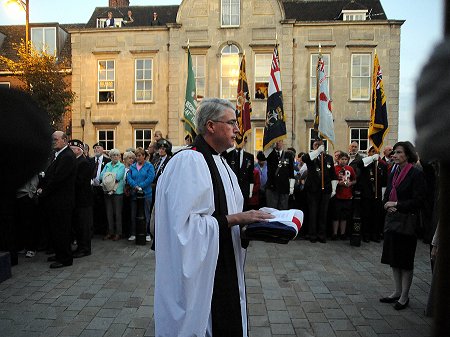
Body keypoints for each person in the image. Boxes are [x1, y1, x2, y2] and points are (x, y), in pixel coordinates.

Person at [154, 98, 273, 336]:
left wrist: (254, 227)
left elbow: (228, 212)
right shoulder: (188, 162)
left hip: (224, 261)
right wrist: (236, 219)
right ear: (210, 126)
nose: (238, 129)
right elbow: (185, 229)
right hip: (202, 276)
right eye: (231, 123)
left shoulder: (221, 162)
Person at [379, 141, 426, 310]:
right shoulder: (393, 171)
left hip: (407, 222)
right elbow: (387, 192)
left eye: (399, 152)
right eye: (394, 153)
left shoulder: (415, 173)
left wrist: (397, 205)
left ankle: (405, 296)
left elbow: (419, 200)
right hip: (392, 221)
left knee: (405, 261)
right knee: (394, 259)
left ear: (408, 154)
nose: (395, 155)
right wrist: (386, 204)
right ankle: (397, 291)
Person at [37, 131, 76, 269]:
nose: (53, 141)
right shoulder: (58, 155)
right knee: (56, 229)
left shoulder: (67, 156)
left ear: (65, 140)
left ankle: (65, 258)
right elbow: (50, 175)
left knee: (62, 229)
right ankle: (59, 253)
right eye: (52, 139)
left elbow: (58, 178)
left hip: (62, 201)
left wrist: (44, 190)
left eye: (56, 139)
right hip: (56, 200)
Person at [302, 140, 337, 243]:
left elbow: (332, 174)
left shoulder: (329, 158)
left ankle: (322, 235)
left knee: (323, 213)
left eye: (320, 145)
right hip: (313, 190)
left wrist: (334, 189)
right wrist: (317, 152)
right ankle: (312, 235)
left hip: (325, 189)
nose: (318, 146)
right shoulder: (311, 156)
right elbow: (305, 159)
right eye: (316, 145)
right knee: (313, 213)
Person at [69, 139, 93, 258]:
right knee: (78, 225)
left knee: (83, 226)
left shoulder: (83, 163)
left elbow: (80, 181)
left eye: (72, 149)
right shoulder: (76, 162)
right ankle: (80, 246)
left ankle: (84, 248)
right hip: (78, 200)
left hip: (83, 200)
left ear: (79, 150)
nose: (71, 151)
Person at [127, 147, 155, 241]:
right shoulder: (133, 166)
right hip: (135, 194)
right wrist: (135, 186)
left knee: (146, 214)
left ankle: (147, 233)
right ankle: (134, 233)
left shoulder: (149, 166)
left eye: (139, 156)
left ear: (144, 156)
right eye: (136, 156)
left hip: (146, 194)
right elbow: (129, 177)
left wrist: (141, 186)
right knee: (133, 214)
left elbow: (150, 178)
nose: (137, 158)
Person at [100, 148, 125, 241]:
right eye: (113, 155)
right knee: (108, 213)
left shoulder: (121, 166)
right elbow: (101, 176)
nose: (115, 157)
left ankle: (118, 233)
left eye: (117, 155)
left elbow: (118, 177)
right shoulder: (107, 165)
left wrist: (108, 176)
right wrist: (110, 176)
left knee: (117, 214)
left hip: (117, 192)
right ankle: (110, 232)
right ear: (110, 156)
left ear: (119, 156)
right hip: (107, 191)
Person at [223, 137, 254, 211]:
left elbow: (250, 175)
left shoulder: (249, 156)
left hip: (244, 187)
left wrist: (250, 190)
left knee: (244, 209)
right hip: (232, 187)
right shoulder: (229, 155)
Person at [331, 152, 356, 240]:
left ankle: (342, 233)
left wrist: (350, 183)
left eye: (345, 159)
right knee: (336, 216)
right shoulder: (334, 168)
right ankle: (334, 233)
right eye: (342, 159)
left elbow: (354, 180)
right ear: (338, 159)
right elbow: (332, 180)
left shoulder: (350, 168)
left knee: (344, 216)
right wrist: (338, 183)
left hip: (347, 195)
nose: (344, 161)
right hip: (337, 195)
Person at [265, 139, 295, 210]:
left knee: (283, 210)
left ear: (283, 142)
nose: (277, 143)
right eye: (275, 141)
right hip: (272, 187)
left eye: (279, 141)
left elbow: (291, 172)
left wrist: (291, 187)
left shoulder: (288, 155)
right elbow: (262, 156)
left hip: (284, 187)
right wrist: (270, 147)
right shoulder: (270, 154)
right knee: (272, 211)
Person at [91, 142, 111, 235]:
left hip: (102, 187)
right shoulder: (90, 161)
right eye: (95, 148)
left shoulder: (107, 161)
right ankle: (95, 228)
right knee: (94, 209)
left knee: (103, 209)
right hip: (92, 188)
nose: (96, 149)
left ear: (102, 149)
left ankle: (103, 229)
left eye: (98, 148)